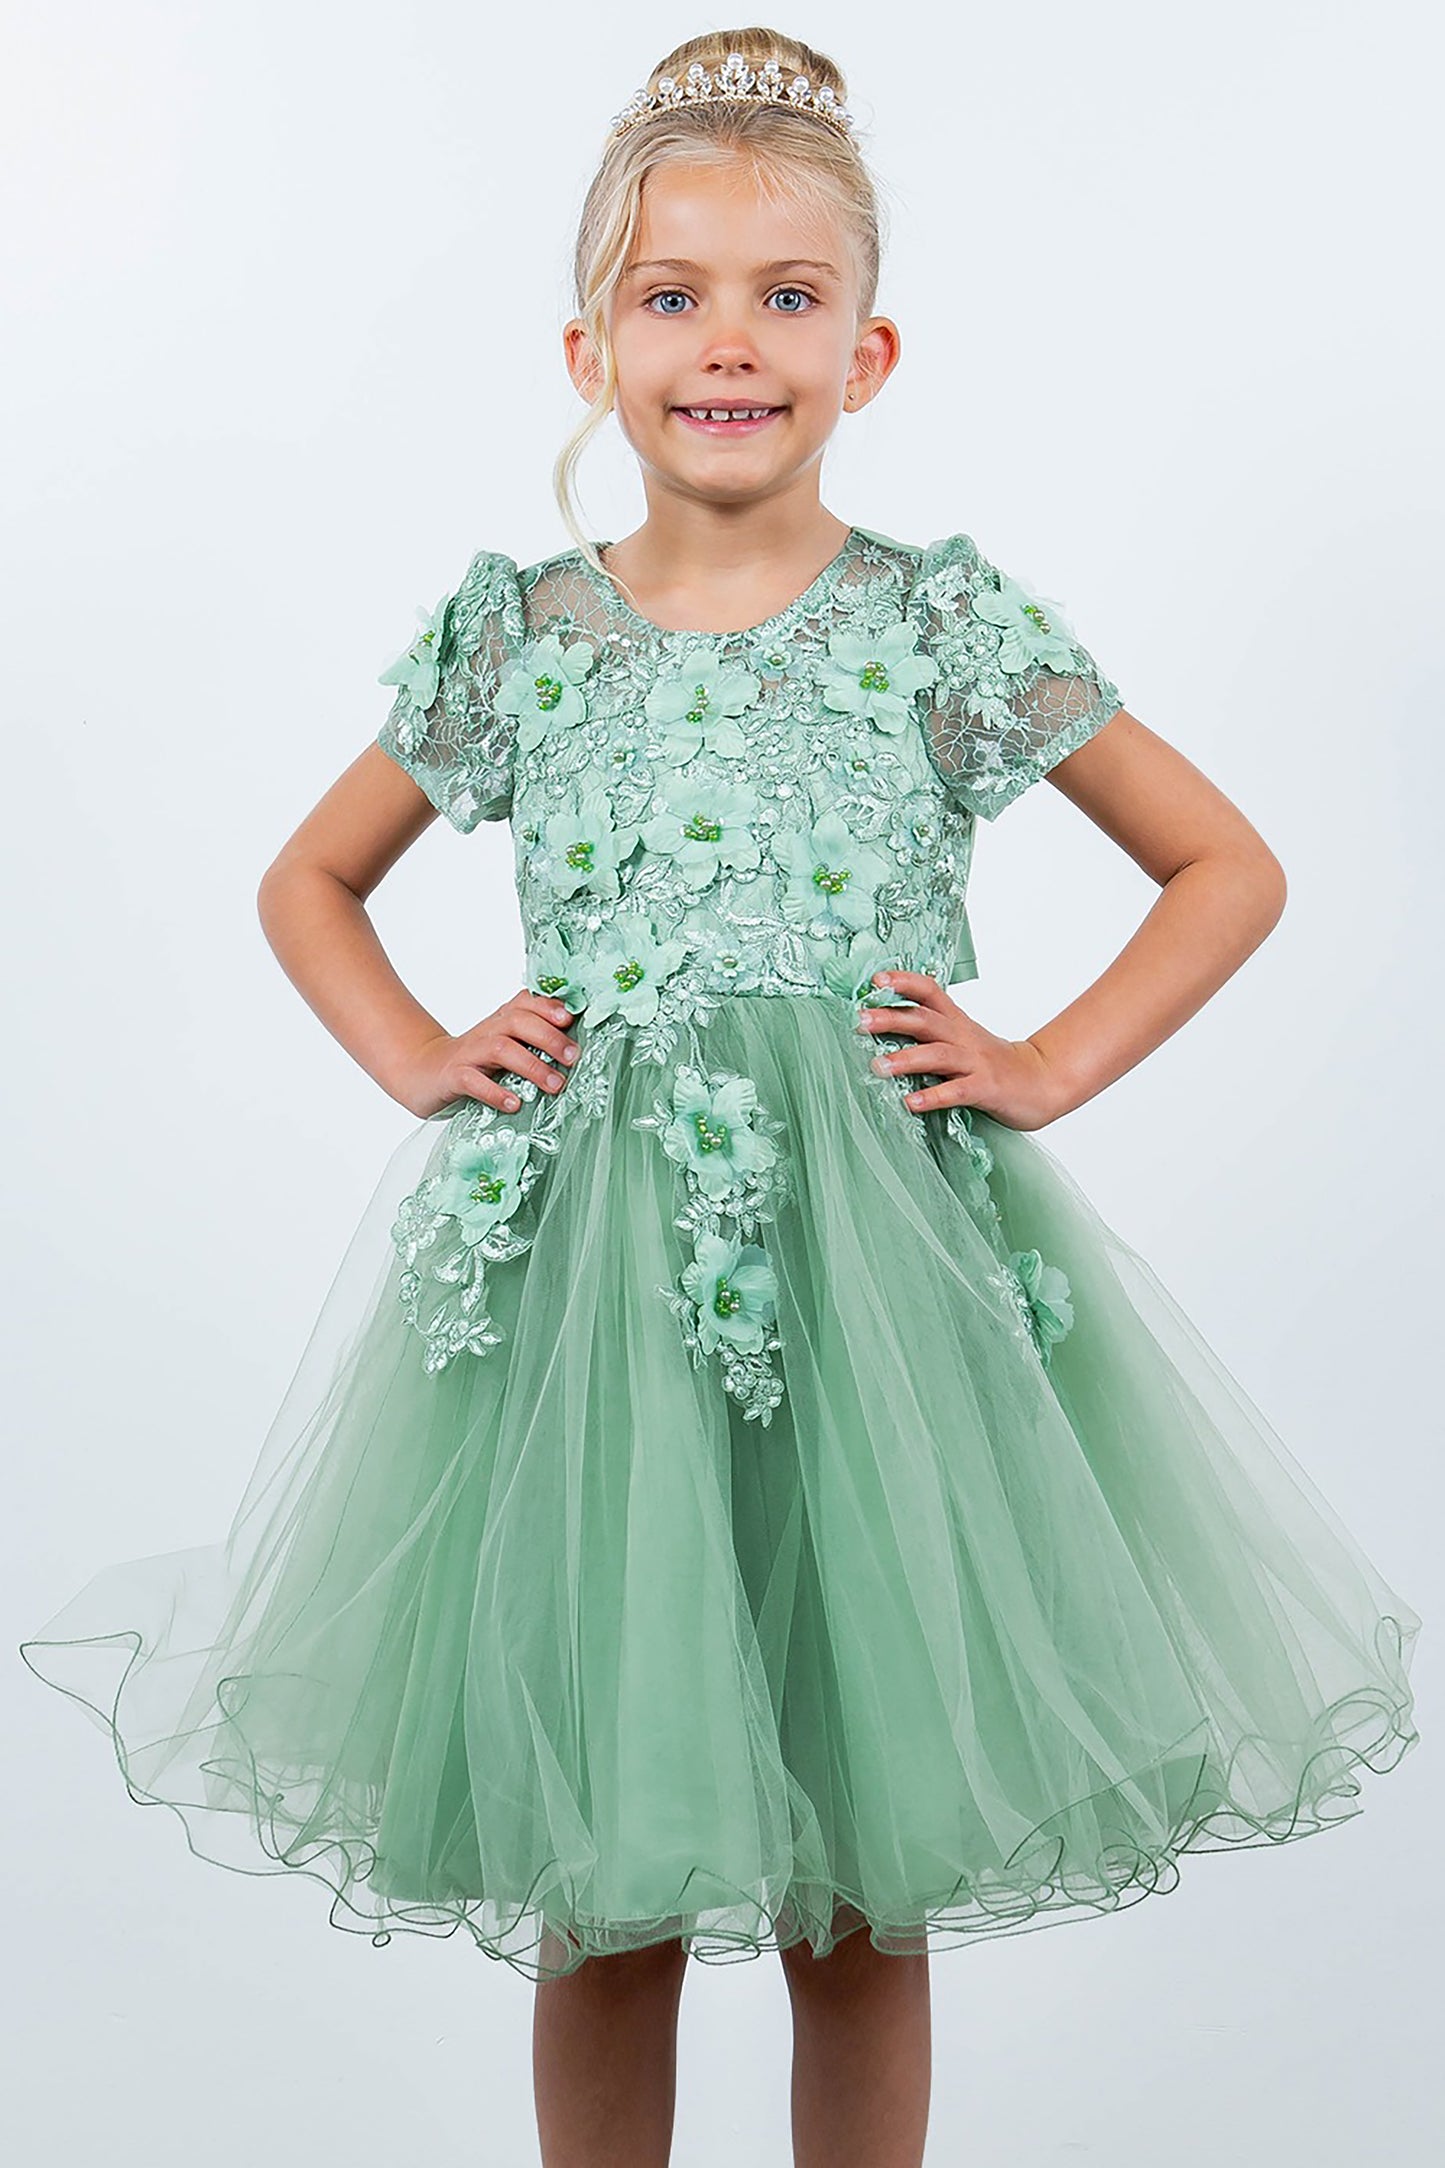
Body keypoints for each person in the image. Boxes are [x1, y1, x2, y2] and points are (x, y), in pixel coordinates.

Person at [19, 25, 1421, 2168]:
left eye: (786, 298)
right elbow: (309, 876)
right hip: (594, 1313)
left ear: (870, 351)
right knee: (608, 1875)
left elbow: (1227, 863)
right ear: (589, 346)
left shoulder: (942, 623)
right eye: (674, 296)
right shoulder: (522, 641)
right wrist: (418, 1050)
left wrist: (1042, 1061)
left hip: (881, 1308)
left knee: (864, 1876)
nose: (728, 342)